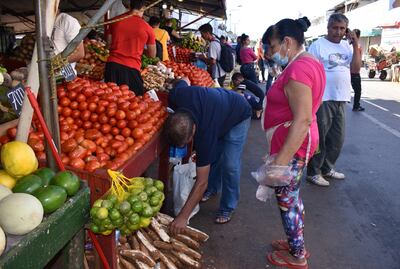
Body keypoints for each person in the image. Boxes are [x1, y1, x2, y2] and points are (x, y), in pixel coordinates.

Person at [261, 16, 325, 269]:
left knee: (287, 200)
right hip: (298, 142)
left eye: (273, 47)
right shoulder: (308, 62)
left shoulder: (298, 69)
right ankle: (293, 240)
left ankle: (297, 255)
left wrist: (280, 163)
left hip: (295, 145)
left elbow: (303, 119)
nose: (270, 53)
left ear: (287, 42)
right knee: (293, 198)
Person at [166, 78, 251, 232]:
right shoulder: (176, 96)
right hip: (219, 108)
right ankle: (213, 188)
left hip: (239, 113)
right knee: (214, 156)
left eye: (188, 142)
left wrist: (183, 217)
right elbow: (182, 81)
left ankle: (228, 206)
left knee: (230, 164)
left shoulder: (205, 134)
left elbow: (201, 181)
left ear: (194, 131)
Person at [306, 13, 361, 187]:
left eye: (342, 28)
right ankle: (313, 172)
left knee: (337, 138)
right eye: (335, 28)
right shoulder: (318, 45)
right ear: (328, 28)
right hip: (323, 98)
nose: (338, 32)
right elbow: (308, 71)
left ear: (347, 30)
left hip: (341, 97)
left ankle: (327, 168)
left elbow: (355, 69)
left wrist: (356, 43)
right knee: (320, 137)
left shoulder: (347, 46)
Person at [105, 0, 156, 96]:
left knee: (110, 99)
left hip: (112, 65)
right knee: (134, 100)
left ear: (130, 6)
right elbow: (152, 55)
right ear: (143, 8)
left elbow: (108, 44)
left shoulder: (115, 20)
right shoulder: (148, 28)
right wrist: (139, 49)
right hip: (132, 68)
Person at [350, 29, 364, 111]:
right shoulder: (358, 46)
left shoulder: (348, 44)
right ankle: (356, 106)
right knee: (358, 90)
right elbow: (358, 59)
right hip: (355, 72)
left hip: (348, 71)